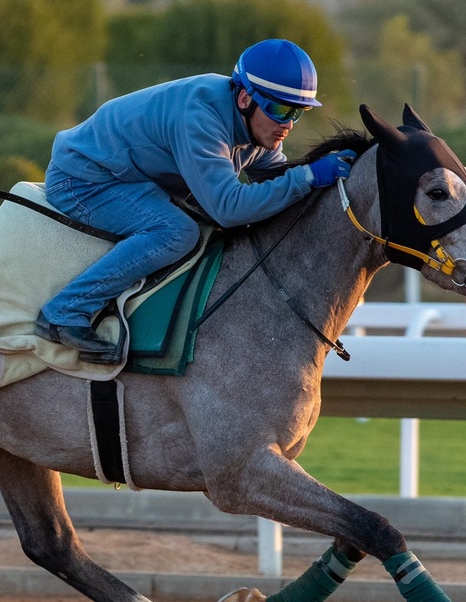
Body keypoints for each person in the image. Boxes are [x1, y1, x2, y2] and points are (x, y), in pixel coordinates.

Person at [35, 39, 356, 363]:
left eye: (297, 113)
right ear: (245, 98)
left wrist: (331, 177)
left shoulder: (259, 127)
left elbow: (273, 179)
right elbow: (229, 209)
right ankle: (65, 311)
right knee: (176, 232)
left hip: (131, 180)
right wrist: (308, 177)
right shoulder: (201, 119)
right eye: (280, 109)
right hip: (82, 180)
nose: (287, 124)